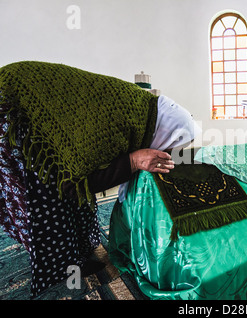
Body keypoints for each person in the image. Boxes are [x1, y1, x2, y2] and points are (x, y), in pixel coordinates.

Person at [0, 61, 201, 297]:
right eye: (169, 144)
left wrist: (133, 161)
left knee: (81, 204)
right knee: (49, 198)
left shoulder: (142, 113)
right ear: (164, 129)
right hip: (17, 112)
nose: (166, 152)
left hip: (23, 100)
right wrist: (134, 161)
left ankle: (78, 258)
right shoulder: (120, 123)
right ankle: (57, 282)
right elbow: (76, 183)